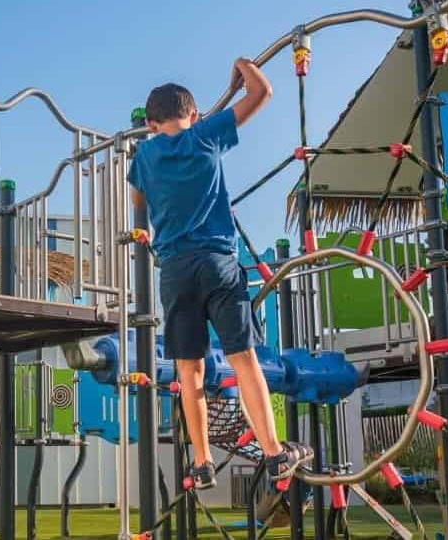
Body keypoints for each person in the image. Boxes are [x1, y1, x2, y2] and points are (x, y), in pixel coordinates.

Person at [127, 58, 309, 491]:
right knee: (243, 359)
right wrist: (243, 66)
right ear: (192, 114)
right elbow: (262, 92)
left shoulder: (144, 155)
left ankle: (202, 462)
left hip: (175, 270)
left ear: (150, 124)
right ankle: (274, 453)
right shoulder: (205, 135)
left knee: (188, 369)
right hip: (217, 262)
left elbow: (137, 201)